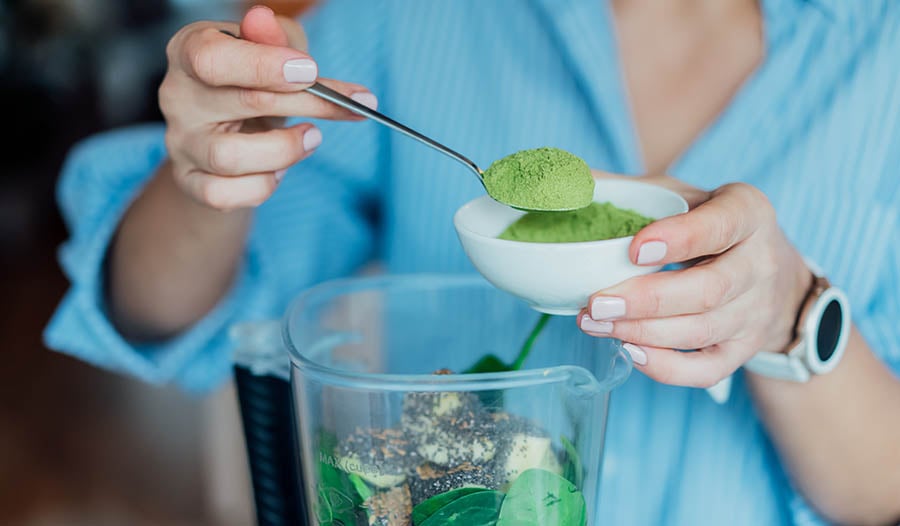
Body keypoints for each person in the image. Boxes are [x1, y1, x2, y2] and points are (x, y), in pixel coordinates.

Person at [45, 1, 900, 524]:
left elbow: (880, 489)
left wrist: (792, 310)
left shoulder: (879, 53)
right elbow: (159, 308)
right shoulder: (419, 15)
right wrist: (211, 167)